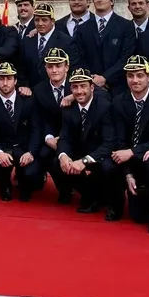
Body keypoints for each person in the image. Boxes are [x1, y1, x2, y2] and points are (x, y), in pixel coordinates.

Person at [107, 55, 149, 233]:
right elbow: (119, 139)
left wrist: (132, 151)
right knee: (109, 164)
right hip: (129, 156)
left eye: (139, 75)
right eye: (130, 76)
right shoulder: (118, 102)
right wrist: (128, 174)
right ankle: (116, 205)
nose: (135, 80)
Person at [56, 68, 116, 213]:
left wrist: (84, 161)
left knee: (108, 167)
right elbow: (65, 137)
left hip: (99, 155)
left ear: (92, 87)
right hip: (81, 151)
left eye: (83, 86)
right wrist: (63, 156)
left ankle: (107, 197)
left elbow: (109, 143)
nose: (79, 91)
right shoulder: (68, 109)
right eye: (75, 87)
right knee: (56, 162)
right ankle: (87, 194)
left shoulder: (104, 107)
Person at [0, 62, 41, 202]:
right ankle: (5, 183)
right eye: (1, 79)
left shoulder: (28, 101)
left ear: (15, 80)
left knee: (32, 172)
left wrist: (31, 152)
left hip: (23, 148)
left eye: (9, 78)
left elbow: (36, 129)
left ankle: (23, 180)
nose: (5, 82)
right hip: (3, 148)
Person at [73, 0, 137, 90]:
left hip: (118, 86)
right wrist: (90, 78)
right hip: (91, 87)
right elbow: (79, 57)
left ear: (112, 1)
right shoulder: (82, 28)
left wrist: (105, 78)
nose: (99, 0)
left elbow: (126, 57)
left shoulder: (126, 26)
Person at [32, 47, 74, 203]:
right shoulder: (39, 89)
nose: (54, 70)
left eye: (58, 65)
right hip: (51, 136)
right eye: (50, 66)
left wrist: (74, 95)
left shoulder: (77, 85)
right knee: (45, 155)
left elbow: (100, 94)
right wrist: (48, 137)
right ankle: (64, 189)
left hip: (75, 136)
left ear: (67, 67)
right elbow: (38, 120)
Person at [18, 3, 74, 90]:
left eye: (44, 20)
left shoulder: (66, 41)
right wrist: (25, 86)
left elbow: (73, 68)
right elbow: (21, 69)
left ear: (52, 21)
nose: (40, 23)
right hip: (30, 95)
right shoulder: (27, 41)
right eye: (37, 20)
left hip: (56, 93)